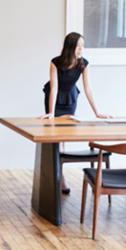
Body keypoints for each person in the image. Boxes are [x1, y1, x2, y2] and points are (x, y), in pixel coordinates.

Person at [41, 32, 110, 193]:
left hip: (70, 99)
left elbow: (88, 88)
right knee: (56, 139)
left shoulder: (84, 64)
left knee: (64, 137)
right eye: (78, 45)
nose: (81, 49)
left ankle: (59, 175)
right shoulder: (55, 62)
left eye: (83, 45)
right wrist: (51, 112)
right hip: (55, 99)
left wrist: (97, 112)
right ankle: (60, 178)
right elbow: (54, 88)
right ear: (70, 46)